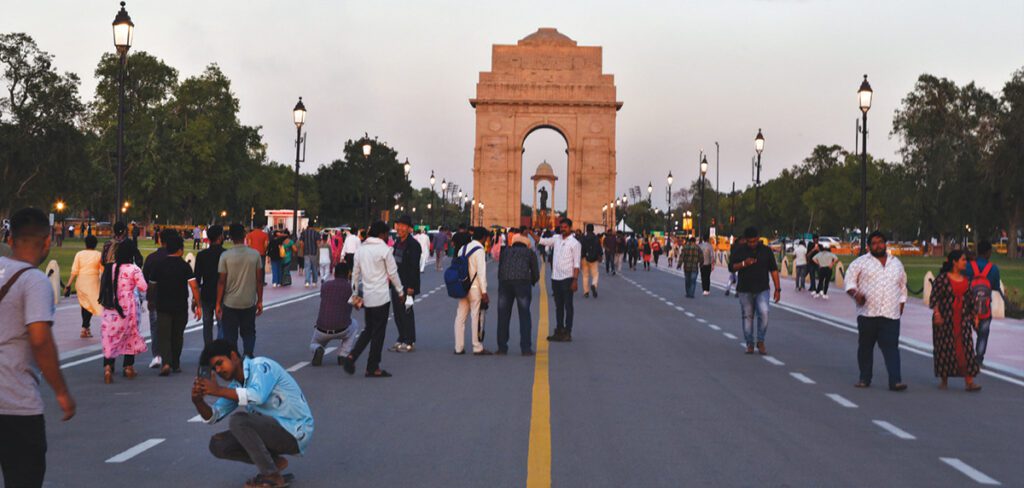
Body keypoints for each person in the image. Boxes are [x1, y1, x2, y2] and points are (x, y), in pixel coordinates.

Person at [0, 208, 76, 488]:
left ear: (11, 238)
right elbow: (40, 340)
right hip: (16, 405)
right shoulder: (34, 281)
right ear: (47, 241)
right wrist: (62, 392)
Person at [192, 340, 313, 488]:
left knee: (239, 421)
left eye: (220, 363)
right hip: (272, 432)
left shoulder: (261, 366)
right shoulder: (237, 385)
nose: (218, 370)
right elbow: (214, 415)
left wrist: (217, 390)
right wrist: (198, 401)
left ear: (233, 356)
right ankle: (274, 464)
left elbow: (257, 396)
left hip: (294, 431)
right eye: (214, 368)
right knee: (218, 443)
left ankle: (272, 476)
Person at [845, 231, 908, 392]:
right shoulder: (860, 263)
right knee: (865, 347)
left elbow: (902, 286)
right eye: (874, 243)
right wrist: (855, 294)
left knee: (892, 348)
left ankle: (895, 381)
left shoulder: (896, 263)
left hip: (890, 314)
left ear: (885, 244)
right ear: (869, 246)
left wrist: (901, 303)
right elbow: (849, 282)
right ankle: (864, 378)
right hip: (868, 314)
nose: (878, 245)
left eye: (880, 242)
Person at [344, 221, 404, 377]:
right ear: (382, 234)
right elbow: (392, 273)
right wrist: (400, 291)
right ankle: (372, 366)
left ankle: (352, 355)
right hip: (381, 297)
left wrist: (355, 294)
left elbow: (355, 276)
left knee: (368, 329)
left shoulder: (360, 250)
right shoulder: (385, 250)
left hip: (368, 297)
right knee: (378, 333)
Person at [150, 232, 202, 376]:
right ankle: (176, 363)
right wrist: (198, 305)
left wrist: (150, 302)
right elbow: (194, 286)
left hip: (162, 306)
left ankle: (166, 362)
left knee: (164, 335)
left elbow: (152, 285)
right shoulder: (185, 266)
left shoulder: (159, 265)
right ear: (180, 249)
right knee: (177, 335)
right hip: (180, 306)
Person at [930, 250, 982, 392]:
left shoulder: (967, 280)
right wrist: (937, 313)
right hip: (945, 320)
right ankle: (944, 379)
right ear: (954, 262)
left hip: (962, 320)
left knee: (966, 349)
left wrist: (975, 317)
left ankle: (969, 381)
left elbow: (971, 301)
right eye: (963, 260)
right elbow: (934, 298)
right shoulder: (942, 279)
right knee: (944, 349)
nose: (965, 263)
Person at [99, 241, 148, 384]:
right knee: (130, 334)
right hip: (129, 306)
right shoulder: (134, 269)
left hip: (112, 306)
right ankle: (128, 366)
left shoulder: (111, 268)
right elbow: (143, 286)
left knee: (111, 336)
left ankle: (108, 366)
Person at [729, 228, 781, 355]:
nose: (752, 244)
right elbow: (732, 267)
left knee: (764, 313)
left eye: (754, 241)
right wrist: (743, 264)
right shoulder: (740, 250)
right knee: (748, 316)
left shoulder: (766, 251)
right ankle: (749, 343)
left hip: (762, 288)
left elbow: (774, 270)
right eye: (750, 242)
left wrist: (777, 289)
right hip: (745, 289)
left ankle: (760, 341)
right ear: (746, 240)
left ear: (758, 238)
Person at [217, 224, 264, 359]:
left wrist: (218, 303)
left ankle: (234, 355)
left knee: (230, 333)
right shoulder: (254, 255)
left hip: (230, 301)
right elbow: (259, 280)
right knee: (249, 331)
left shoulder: (225, 256)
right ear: (244, 236)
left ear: (230, 237)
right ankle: (248, 353)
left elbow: (221, 281)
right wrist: (259, 300)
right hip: (248, 301)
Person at [537, 219, 581, 342]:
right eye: (561, 227)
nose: (563, 229)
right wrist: (528, 232)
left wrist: (575, 280)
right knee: (558, 306)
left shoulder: (575, 243)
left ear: (570, 227)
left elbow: (577, 264)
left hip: (567, 278)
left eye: (565, 227)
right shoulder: (556, 238)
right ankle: (559, 330)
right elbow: (541, 241)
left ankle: (568, 331)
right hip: (555, 278)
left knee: (568, 305)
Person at [497, 231, 540, 355]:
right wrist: (531, 282)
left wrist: (503, 282)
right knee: (524, 315)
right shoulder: (529, 252)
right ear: (526, 244)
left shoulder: (505, 252)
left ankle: (502, 348)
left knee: (503, 316)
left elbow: (500, 269)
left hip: (505, 283)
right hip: (522, 283)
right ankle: (525, 348)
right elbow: (535, 273)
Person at [310, 262, 360, 366]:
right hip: (342, 328)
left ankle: (318, 348)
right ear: (348, 274)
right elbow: (357, 306)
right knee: (354, 324)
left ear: (335, 273)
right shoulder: (350, 288)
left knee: (314, 343)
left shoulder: (325, 286)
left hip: (321, 328)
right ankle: (343, 354)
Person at [452, 226, 491, 354]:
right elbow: (481, 273)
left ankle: (459, 347)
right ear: (484, 238)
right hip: (474, 288)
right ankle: (477, 346)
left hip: (463, 287)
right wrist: (484, 291)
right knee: (475, 316)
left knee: (460, 317)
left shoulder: (462, 249)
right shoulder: (479, 250)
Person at [965, 240, 1002, 365]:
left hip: (968, 305)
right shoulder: (993, 269)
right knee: (983, 334)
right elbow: (996, 287)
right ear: (988, 252)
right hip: (985, 307)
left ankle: (966, 354)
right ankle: (979, 358)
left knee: (965, 331)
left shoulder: (969, 266)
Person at [388, 215, 421, 353]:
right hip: (396, 285)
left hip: (408, 285)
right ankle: (401, 337)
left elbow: (414, 267)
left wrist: (411, 287)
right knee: (397, 313)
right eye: (398, 225)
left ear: (409, 228)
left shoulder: (413, 245)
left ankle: (409, 341)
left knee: (406, 312)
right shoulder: (397, 243)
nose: (400, 228)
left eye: (403, 226)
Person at [143, 230, 172, 369]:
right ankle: (169, 356)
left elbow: (145, 280)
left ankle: (157, 356)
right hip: (171, 297)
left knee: (155, 328)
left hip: (155, 298)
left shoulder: (151, 258)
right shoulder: (175, 258)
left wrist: (147, 298)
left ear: (160, 240)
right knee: (170, 328)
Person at [65, 234, 103, 339]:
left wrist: (68, 285)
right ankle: (85, 327)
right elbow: (103, 270)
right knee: (90, 305)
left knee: (85, 305)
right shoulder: (98, 255)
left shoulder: (79, 254)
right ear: (95, 244)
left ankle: (85, 328)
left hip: (81, 282)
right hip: (93, 282)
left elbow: (74, 271)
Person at [195, 225, 226, 345]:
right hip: (223, 293)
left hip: (206, 293)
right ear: (220, 237)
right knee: (222, 324)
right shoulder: (226, 254)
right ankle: (220, 349)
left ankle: (208, 350)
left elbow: (197, 278)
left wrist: (195, 299)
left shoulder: (202, 255)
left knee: (207, 324)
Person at [580, 224, 602, 298]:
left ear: (586, 229)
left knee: (585, 275)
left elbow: (581, 248)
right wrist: (600, 256)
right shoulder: (596, 238)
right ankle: (594, 284)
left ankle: (586, 292)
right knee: (595, 274)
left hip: (584, 258)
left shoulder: (583, 238)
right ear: (593, 229)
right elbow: (599, 248)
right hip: (594, 259)